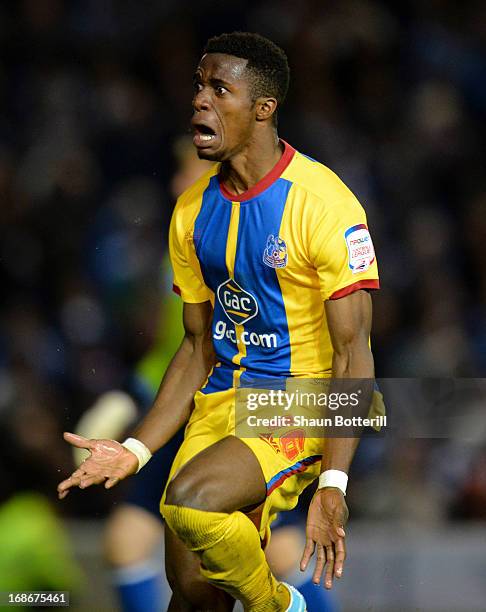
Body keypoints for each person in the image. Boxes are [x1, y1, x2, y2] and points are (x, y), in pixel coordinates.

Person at [58, 32, 381, 611]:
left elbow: (354, 355)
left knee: (188, 499)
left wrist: (334, 484)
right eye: (198, 87)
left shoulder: (326, 206)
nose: (199, 101)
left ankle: (279, 607)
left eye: (218, 89)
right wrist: (135, 448)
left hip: (300, 399)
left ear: (263, 108)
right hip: (221, 401)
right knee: (191, 593)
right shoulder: (190, 211)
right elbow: (195, 345)